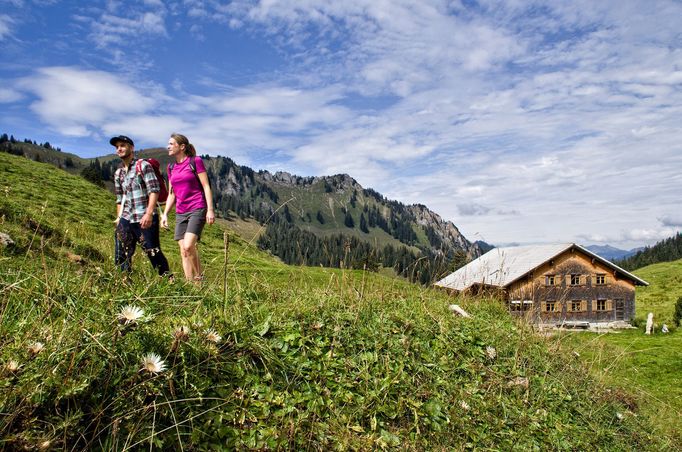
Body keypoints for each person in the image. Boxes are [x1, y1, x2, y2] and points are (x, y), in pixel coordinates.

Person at [112, 135, 171, 277]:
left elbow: (154, 190)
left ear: (131, 148)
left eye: (122, 145)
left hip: (144, 216)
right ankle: (124, 279)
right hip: (127, 217)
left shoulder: (143, 166)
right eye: (117, 147)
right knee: (121, 250)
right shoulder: (118, 173)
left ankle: (168, 279)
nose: (119, 149)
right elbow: (120, 199)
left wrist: (149, 213)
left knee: (152, 251)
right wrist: (119, 219)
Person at [161, 133, 215, 283]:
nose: (168, 146)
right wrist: (165, 214)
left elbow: (206, 186)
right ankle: (189, 285)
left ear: (182, 147)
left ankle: (199, 278)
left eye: (171, 144)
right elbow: (172, 194)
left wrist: (210, 209)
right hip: (181, 212)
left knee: (189, 244)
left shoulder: (195, 161)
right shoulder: (171, 168)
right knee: (184, 251)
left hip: (197, 207)